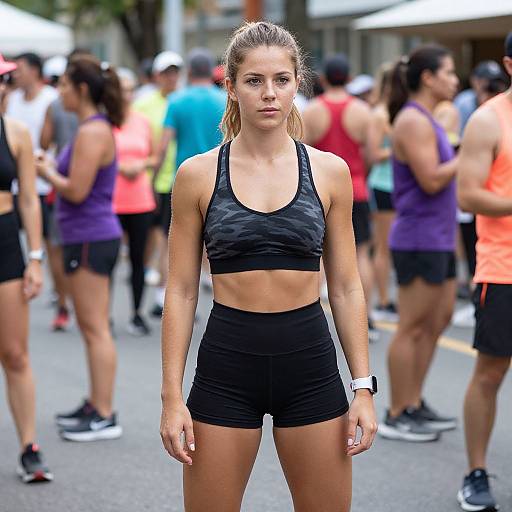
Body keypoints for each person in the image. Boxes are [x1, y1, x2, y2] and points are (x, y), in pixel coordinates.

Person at [159, 22, 377, 512]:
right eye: (254, 81)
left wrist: (362, 387)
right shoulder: (196, 175)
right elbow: (180, 291)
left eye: (281, 79)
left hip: (310, 365)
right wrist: (171, 398)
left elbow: (344, 286)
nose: (269, 93)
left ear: (298, 82)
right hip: (226, 365)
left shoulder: (327, 171)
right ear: (231, 87)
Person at [36, 55, 124, 442]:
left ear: (82, 89)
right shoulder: (92, 128)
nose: (60, 92)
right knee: (92, 327)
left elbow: (75, 189)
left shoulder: (92, 131)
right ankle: (96, 403)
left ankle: (104, 413)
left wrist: (44, 170)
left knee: (94, 327)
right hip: (88, 234)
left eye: (66, 86)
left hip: (90, 234)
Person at [377, 45, 459, 442]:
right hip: (419, 237)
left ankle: (414, 401)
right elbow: (431, 179)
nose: (455, 80)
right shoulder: (412, 120)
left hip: (438, 237)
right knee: (411, 327)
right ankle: (396, 412)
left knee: (438, 320)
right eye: (449, 72)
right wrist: (468, 154)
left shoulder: (426, 118)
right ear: (428, 78)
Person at [455, 34, 512, 512]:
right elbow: (468, 195)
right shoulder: (488, 119)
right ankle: (475, 472)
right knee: (490, 374)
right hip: (503, 268)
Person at [0, 54, 53, 483]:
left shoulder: (15, 132)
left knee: (15, 353)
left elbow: (30, 199)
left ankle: (29, 446)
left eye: (5, 78)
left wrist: (35, 257)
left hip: (5, 244)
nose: (2, 85)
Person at [302, 53, 377, 340]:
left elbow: (303, 151)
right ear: (349, 78)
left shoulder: (312, 111)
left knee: (315, 254)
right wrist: (360, 176)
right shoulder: (362, 111)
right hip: (355, 187)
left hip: (317, 189)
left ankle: (314, 319)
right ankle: (365, 318)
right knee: (360, 253)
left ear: (323, 79)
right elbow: (370, 154)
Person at [157, 47, 226, 292]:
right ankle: (213, 279)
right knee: (216, 234)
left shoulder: (176, 101)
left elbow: (164, 145)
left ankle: (169, 290)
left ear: (189, 72)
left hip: (184, 179)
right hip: (220, 177)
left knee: (175, 237)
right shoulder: (224, 99)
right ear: (211, 71)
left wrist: (154, 176)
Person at [133, 50, 183, 318]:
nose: (171, 77)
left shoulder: (183, 100)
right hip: (147, 178)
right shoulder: (143, 103)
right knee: (147, 237)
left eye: (175, 72)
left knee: (166, 237)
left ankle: (161, 292)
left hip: (173, 180)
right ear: (156, 75)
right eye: (167, 72)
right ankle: (144, 278)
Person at [113, 67, 157, 336]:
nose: (126, 95)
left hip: (140, 199)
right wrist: (119, 166)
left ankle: (137, 312)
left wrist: (140, 164)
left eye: (130, 89)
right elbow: (98, 157)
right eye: (121, 89)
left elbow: (154, 156)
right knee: (106, 260)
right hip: (112, 200)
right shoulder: (105, 121)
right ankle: (103, 314)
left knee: (139, 259)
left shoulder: (141, 121)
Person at [40, 53, 80, 332]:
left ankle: (65, 304)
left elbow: (44, 141)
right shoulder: (95, 110)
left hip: (63, 182)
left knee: (57, 246)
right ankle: (77, 305)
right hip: (86, 186)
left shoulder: (53, 105)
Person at [367, 63, 397, 322]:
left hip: (403, 187)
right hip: (383, 186)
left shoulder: (403, 111)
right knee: (383, 247)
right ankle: (384, 300)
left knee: (396, 245)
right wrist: (399, 148)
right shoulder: (379, 114)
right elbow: (373, 153)